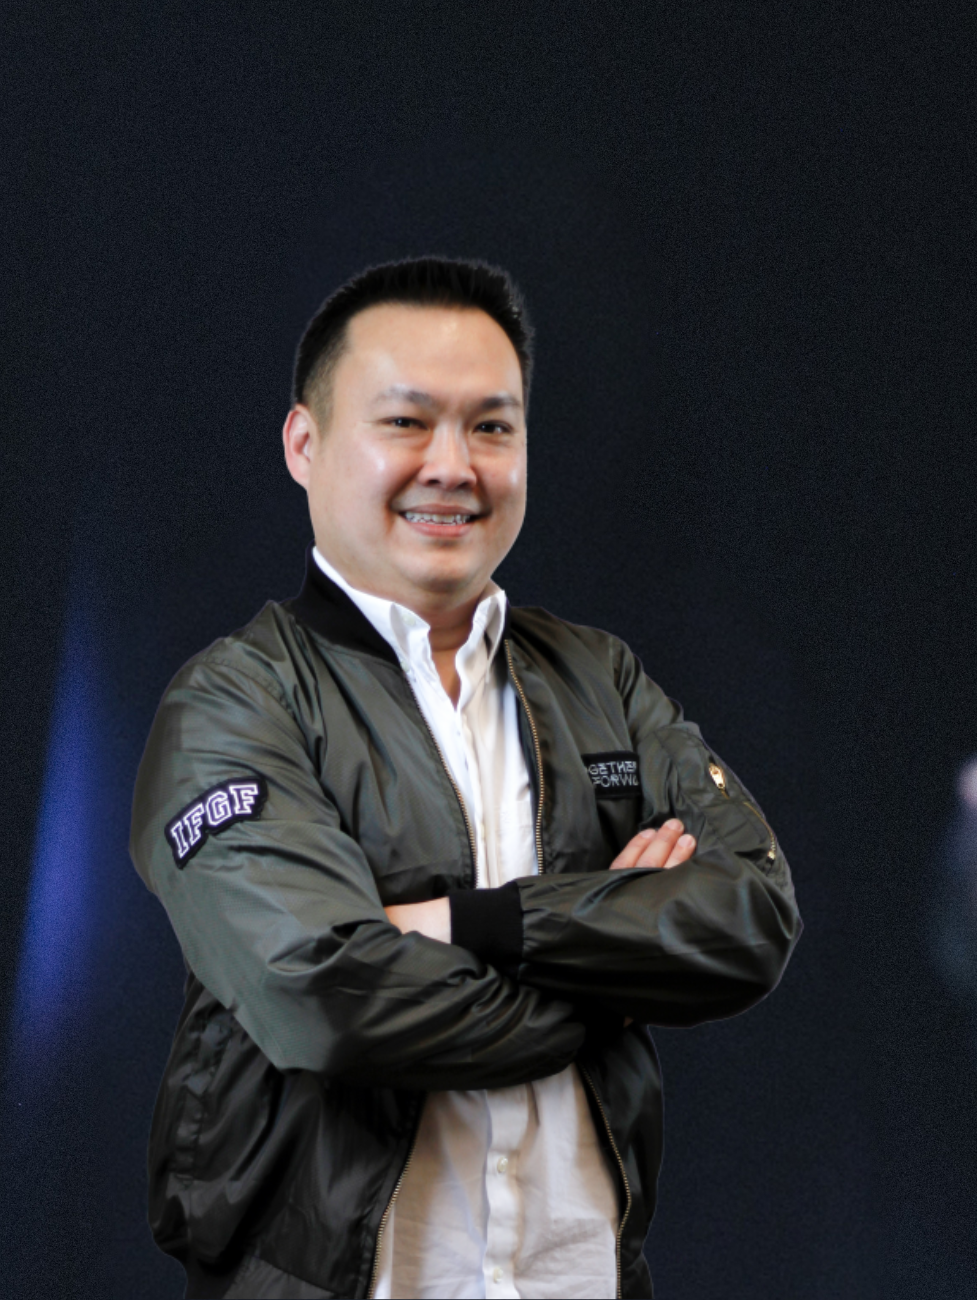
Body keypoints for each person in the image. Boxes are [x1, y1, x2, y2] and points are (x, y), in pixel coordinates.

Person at [129, 257, 802, 1300]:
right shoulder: (235, 703)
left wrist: (466, 925)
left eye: (493, 427)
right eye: (406, 422)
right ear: (304, 446)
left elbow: (752, 913)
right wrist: (610, 985)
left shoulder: (600, 679)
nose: (455, 465)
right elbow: (327, 997)